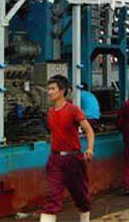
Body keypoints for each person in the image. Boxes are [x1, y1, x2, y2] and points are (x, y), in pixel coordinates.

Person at [40, 75, 95, 222]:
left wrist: (89, 148)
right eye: (48, 89)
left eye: (53, 89)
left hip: (73, 159)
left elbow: (89, 130)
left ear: (62, 91)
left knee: (80, 194)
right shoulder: (50, 112)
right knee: (51, 196)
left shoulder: (73, 110)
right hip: (55, 159)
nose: (49, 92)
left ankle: (85, 218)